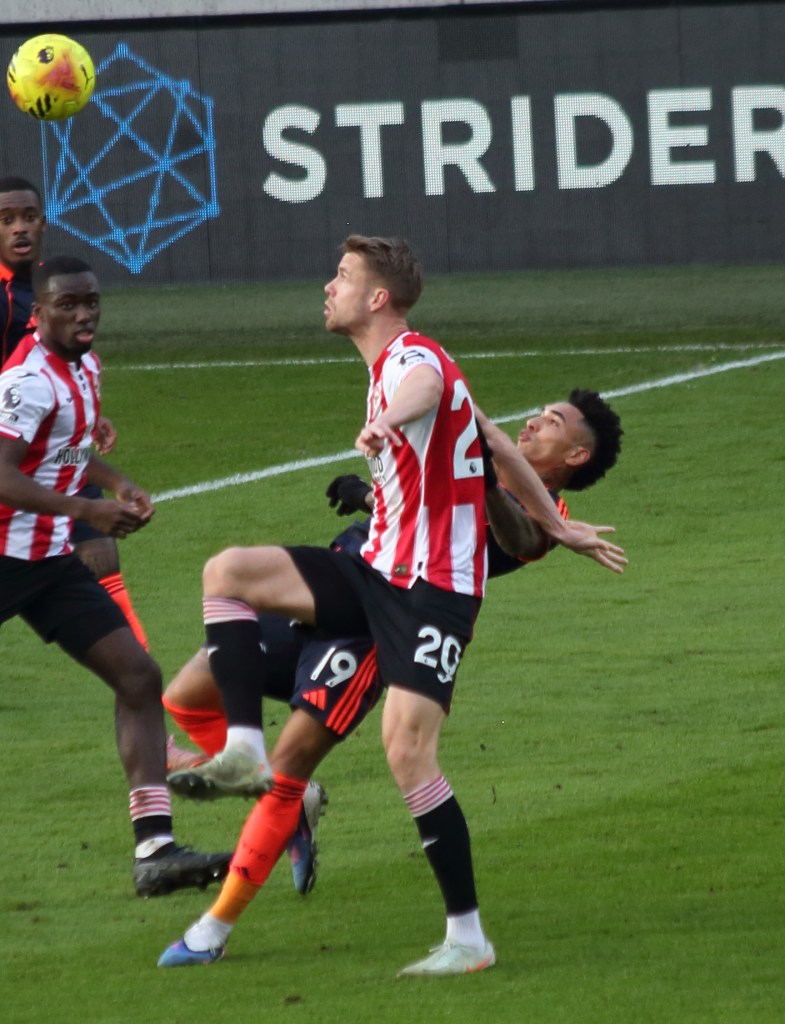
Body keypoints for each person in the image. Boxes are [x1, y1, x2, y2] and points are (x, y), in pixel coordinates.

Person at [157, 233, 625, 974]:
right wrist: (559, 525)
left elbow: (428, 394)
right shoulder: (400, 370)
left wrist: (388, 423)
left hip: (428, 599)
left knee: (405, 752)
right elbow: (496, 442)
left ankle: (464, 939)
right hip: (372, 567)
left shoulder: (412, 362)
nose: (327, 286)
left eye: (340, 276)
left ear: (377, 297)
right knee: (226, 574)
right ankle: (240, 747)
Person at [0, 255, 232, 897]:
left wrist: (116, 482)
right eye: (68, 305)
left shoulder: (86, 367)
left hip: (46, 562)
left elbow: (67, 450)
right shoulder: (26, 380)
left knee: (139, 677)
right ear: (39, 311)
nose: (83, 315)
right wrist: (84, 510)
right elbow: (3, 471)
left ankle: (155, 852)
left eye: (91, 303)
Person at [0, 176, 149, 648]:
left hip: (43, 445)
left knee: (101, 555)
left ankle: (146, 691)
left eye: (28, 217)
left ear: (45, 222)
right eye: (7, 220)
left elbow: (62, 363)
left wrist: (77, 414)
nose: (20, 228)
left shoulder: (51, 281)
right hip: (14, 448)